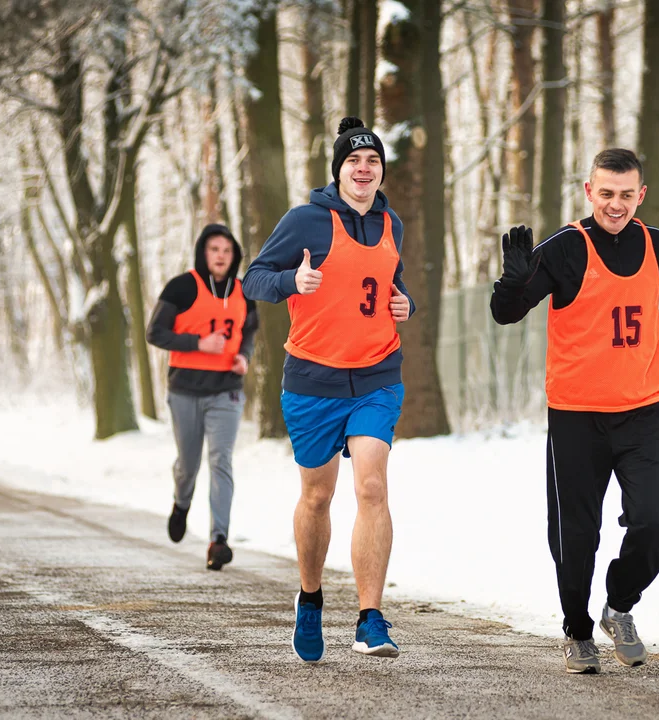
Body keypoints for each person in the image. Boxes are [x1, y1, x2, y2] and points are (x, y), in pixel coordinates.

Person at [490, 148, 659, 674]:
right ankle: (577, 629)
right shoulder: (567, 249)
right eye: (606, 193)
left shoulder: (657, 246)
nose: (616, 204)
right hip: (575, 417)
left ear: (641, 195)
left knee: (650, 524)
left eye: (626, 194)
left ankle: (619, 606)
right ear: (590, 192)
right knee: (577, 535)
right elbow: (506, 313)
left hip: (640, 414)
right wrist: (513, 278)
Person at [243, 117, 414, 664]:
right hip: (313, 378)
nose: (363, 170)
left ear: (381, 169)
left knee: (371, 488)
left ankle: (370, 617)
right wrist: (292, 281)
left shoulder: (392, 223)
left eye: (372, 162)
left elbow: (391, 283)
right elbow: (254, 278)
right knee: (318, 496)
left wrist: (403, 303)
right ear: (338, 170)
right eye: (353, 162)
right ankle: (311, 598)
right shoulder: (306, 221)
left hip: (376, 375)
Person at [146, 223, 259, 571]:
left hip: (226, 391)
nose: (221, 256)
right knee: (189, 464)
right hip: (184, 391)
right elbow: (155, 332)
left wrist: (244, 357)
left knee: (220, 460)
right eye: (214, 250)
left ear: (234, 256)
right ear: (203, 253)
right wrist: (197, 343)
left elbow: (249, 331)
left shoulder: (244, 292)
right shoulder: (182, 287)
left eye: (227, 251)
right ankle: (181, 503)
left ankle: (218, 540)